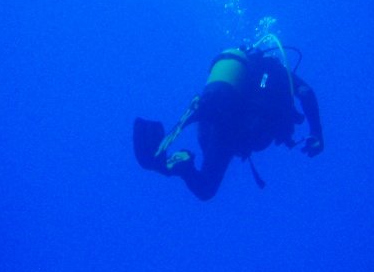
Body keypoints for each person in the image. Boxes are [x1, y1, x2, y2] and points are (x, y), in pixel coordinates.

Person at [133, 37, 324, 200]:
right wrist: (316, 133)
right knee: (205, 189)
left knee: (206, 187)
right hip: (236, 129)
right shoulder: (276, 70)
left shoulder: (249, 70)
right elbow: (305, 92)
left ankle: (194, 114)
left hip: (213, 116)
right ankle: (183, 164)